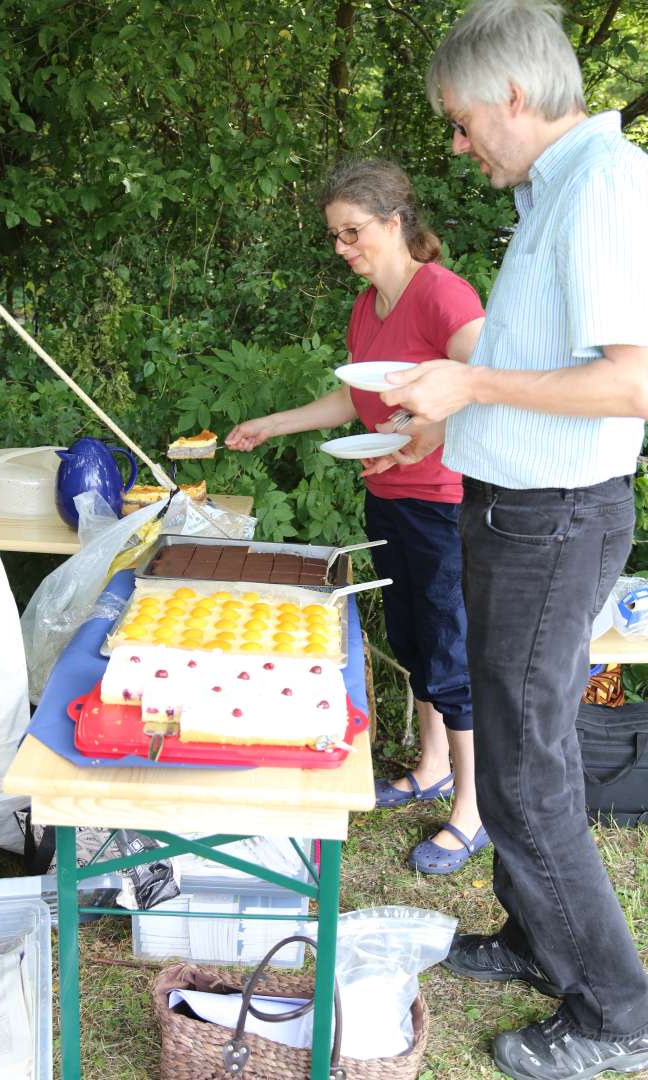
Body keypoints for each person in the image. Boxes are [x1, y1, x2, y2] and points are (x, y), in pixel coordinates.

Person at [379, 1, 648, 1077]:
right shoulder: (555, 190)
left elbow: (631, 380)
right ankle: (540, 943)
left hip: (556, 520)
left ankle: (616, 1015)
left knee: (528, 776)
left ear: (512, 97)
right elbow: (550, 369)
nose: (455, 143)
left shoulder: (608, 189)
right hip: (512, 509)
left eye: (458, 120)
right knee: (515, 750)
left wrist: (473, 379)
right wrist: (454, 414)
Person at [226, 158, 488, 873]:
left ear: (395, 221)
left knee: (449, 650)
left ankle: (472, 809)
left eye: (352, 233)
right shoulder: (367, 304)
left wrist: (428, 434)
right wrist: (273, 424)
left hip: (443, 501)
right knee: (411, 636)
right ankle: (432, 764)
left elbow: (486, 382)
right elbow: (356, 400)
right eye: (335, 237)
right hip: (388, 492)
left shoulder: (442, 296)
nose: (342, 249)